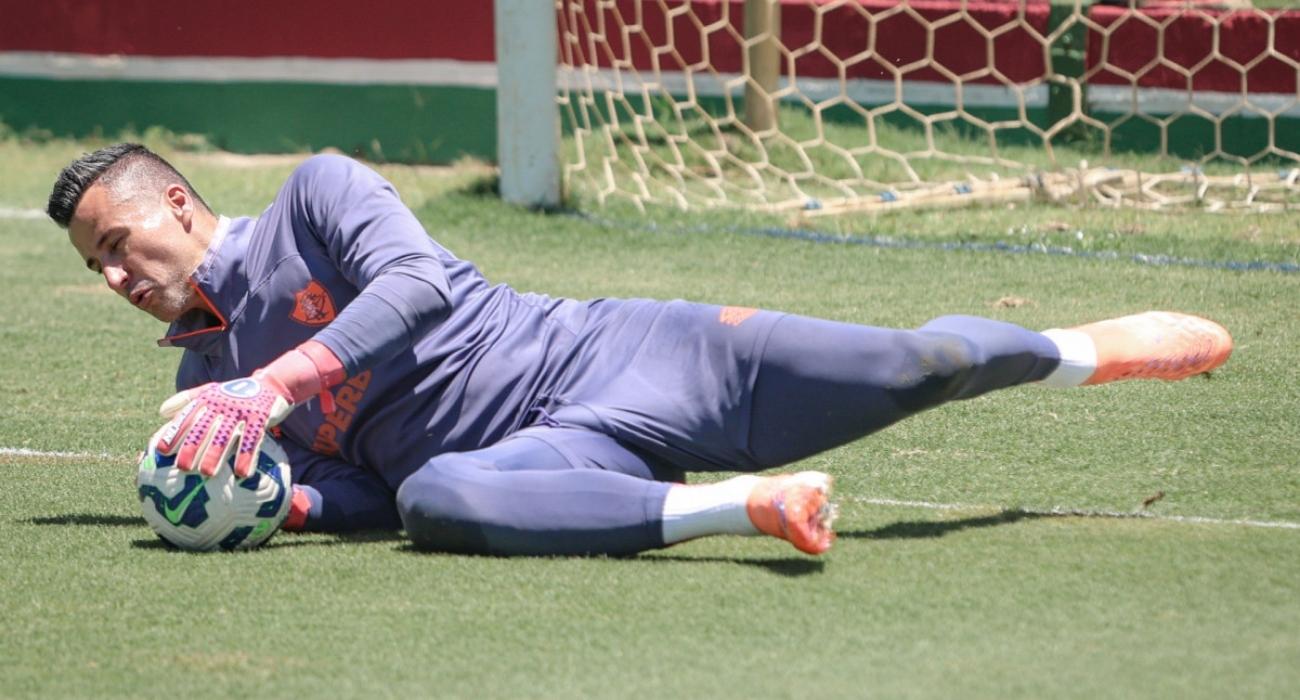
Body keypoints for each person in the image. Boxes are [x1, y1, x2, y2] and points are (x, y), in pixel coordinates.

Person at [47, 143, 1233, 557]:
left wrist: (276, 381)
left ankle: (1078, 348)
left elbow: (413, 284)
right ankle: (745, 508)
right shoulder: (202, 395)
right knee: (436, 499)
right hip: (543, 458)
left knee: (913, 366)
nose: (115, 276)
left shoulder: (316, 196)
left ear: (182, 204)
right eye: (95, 267)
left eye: (118, 240)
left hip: (621, 358)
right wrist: (286, 506)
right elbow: (361, 479)